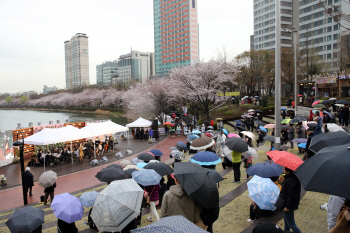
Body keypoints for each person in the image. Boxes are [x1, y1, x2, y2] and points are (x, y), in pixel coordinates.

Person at [278, 167, 302, 233]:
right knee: (287, 221)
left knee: (292, 224)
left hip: (288, 204)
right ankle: (286, 231)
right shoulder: (291, 178)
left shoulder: (290, 181)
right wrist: (283, 182)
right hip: (287, 203)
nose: (283, 169)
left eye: (284, 168)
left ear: (287, 171)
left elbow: (291, 195)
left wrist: (287, 206)